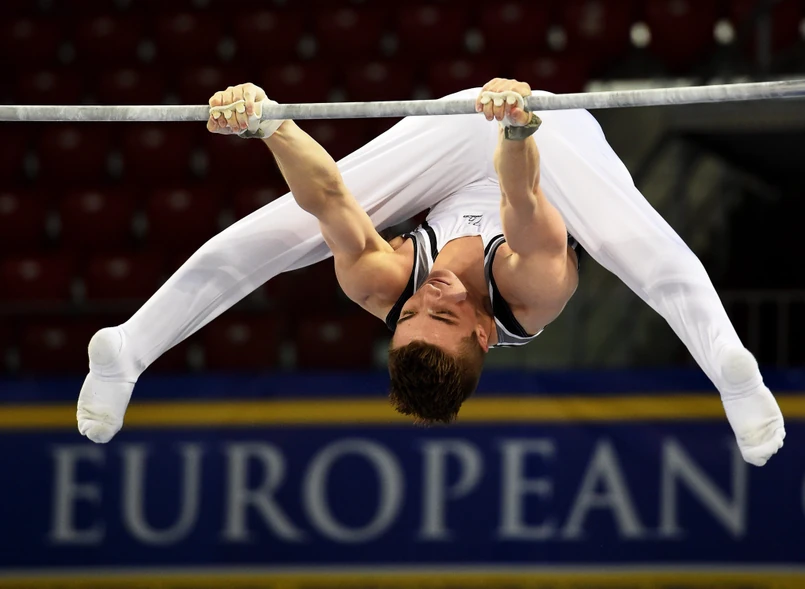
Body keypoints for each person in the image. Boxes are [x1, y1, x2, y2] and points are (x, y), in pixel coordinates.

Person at [76, 79, 785, 467]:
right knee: (639, 246)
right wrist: (516, 127)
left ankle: (127, 349)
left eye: (410, 315)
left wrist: (271, 124)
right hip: (550, 143)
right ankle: (732, 372)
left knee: (284, 229)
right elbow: (521, 201)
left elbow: (327, 197)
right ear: (485, 332)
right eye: (442, 315)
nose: (426, 297)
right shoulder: (532, 295)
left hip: (449, 139)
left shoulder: (382, 286)